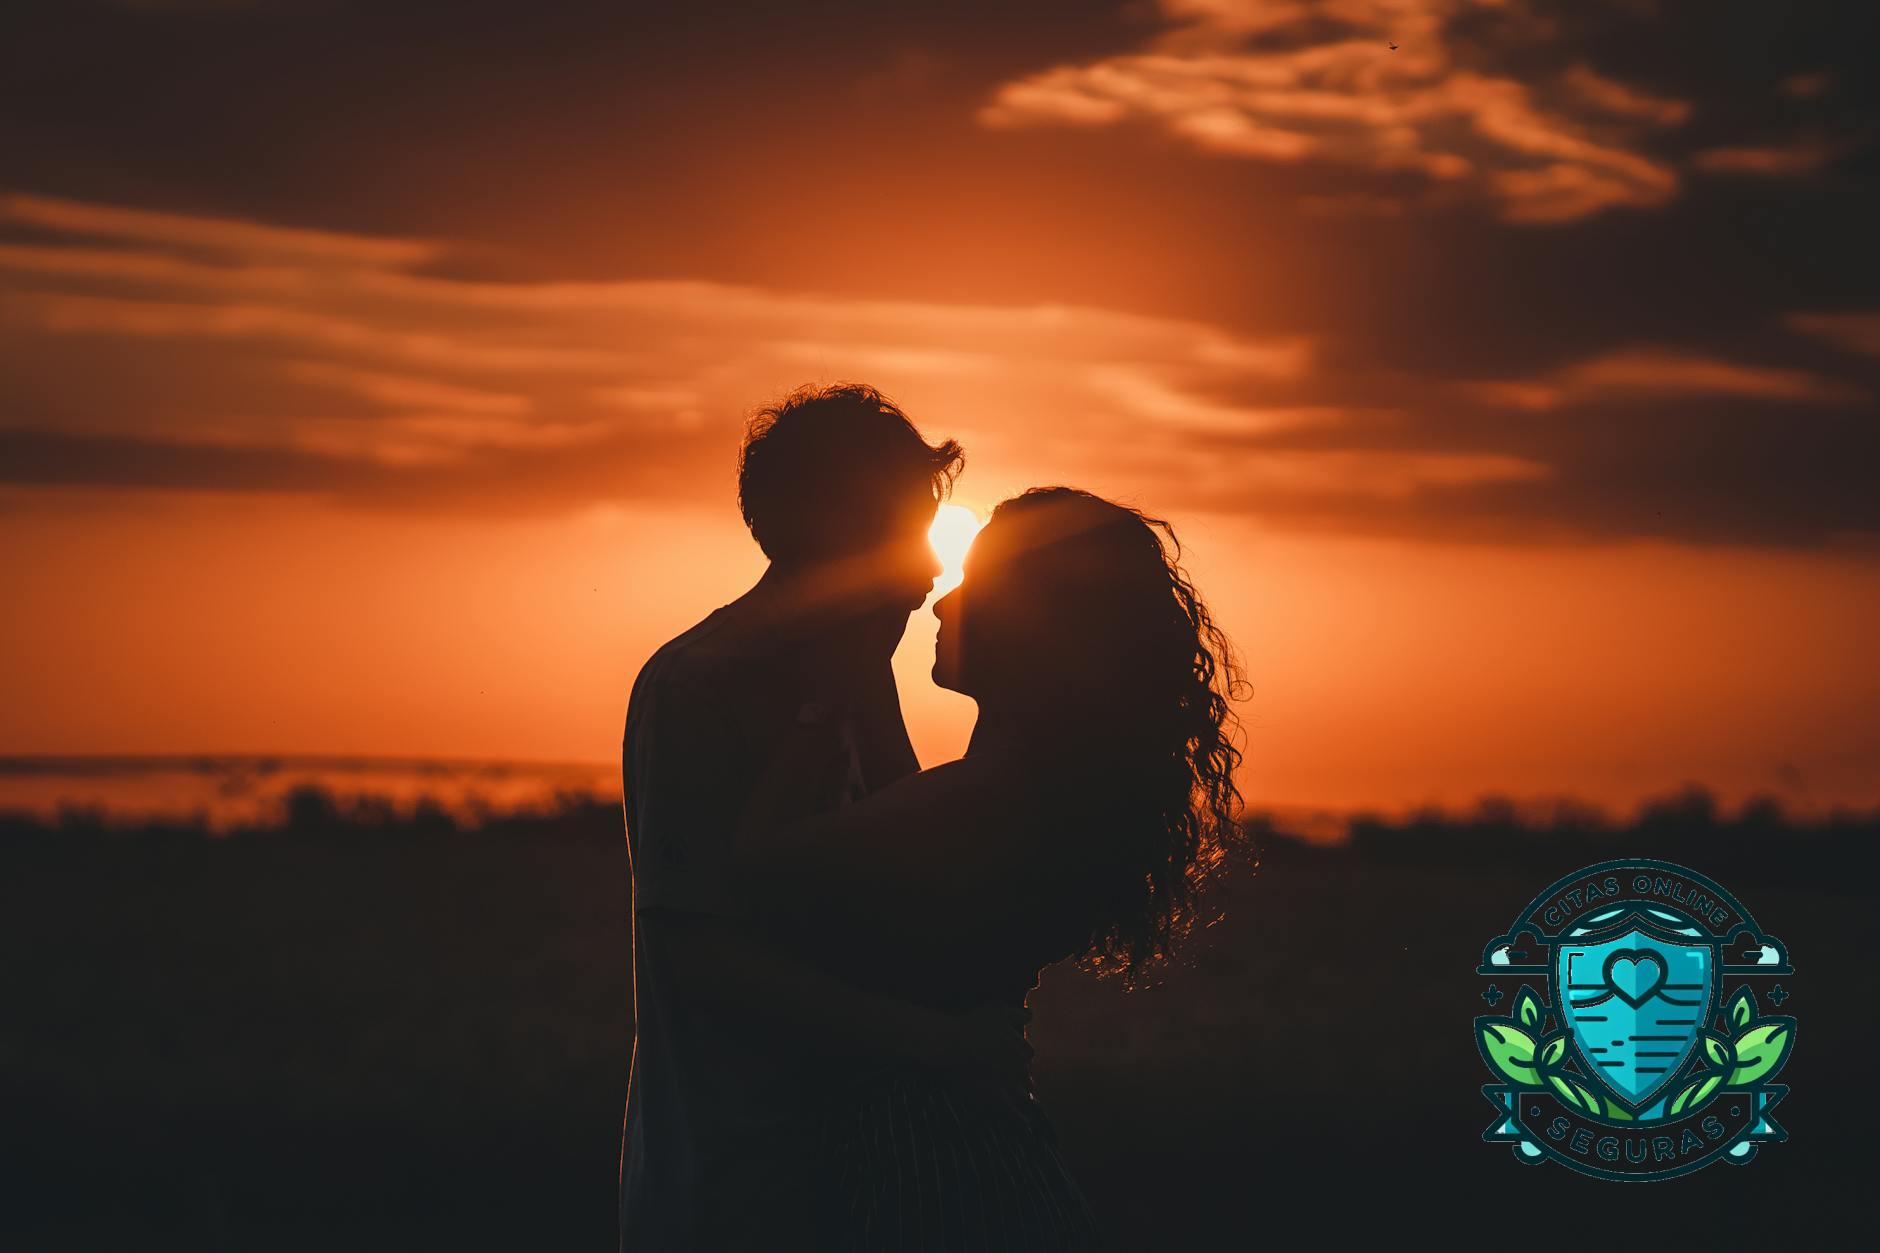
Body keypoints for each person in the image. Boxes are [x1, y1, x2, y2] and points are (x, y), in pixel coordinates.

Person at [727, 485, 1250, 1252]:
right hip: (975, 1152)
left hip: (928, 1164)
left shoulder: (983, 798)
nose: (941, 604)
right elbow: (894, 802)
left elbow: (757, 870)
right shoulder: (1026, 790)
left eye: (975, 586)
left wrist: (819, 705)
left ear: (1028, 624)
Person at [618, 383, 1029, 1251]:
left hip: (854, 1177)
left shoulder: (854, 673)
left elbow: (910, 876)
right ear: (836, 529)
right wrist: (939, 1044)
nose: (929, 575)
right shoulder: (697, 685)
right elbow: (696, 958)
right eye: (906, 534)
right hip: (731, 1188)